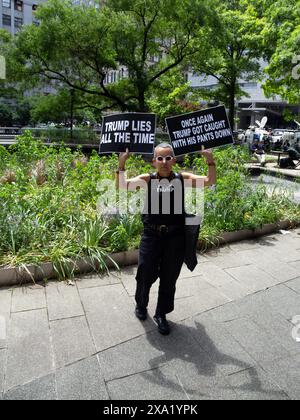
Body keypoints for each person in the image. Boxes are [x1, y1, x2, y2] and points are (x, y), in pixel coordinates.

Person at [116, 143, 216, 335]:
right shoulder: (148, 179)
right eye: (160, 158)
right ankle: (141, 304)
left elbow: (209, 181)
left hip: (175, 237)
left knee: (170, 278)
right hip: (151, 235)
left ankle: (161, 314)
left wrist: (209, 159)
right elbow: (122, 186)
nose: (164, 162)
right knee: (145, 272)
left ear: (174, 160)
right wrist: (121, 163)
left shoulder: (182, 178)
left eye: (168, 157)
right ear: (153, 161)